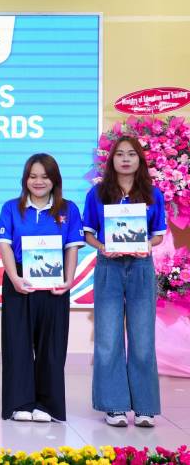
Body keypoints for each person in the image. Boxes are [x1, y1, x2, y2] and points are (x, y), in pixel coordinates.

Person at [83, 136, 166, 428]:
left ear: (140, 159)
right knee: (108, 339)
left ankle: (145, 408)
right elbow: (88, 233)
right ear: (112, 160)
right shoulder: (97, 193)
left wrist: (147, 245)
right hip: (109, 267)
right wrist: (102, 247)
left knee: (143, 340)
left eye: (131, 154)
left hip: (141, 266)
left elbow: (158, 234)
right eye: (120, 154)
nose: (126, 159)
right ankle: (114, 406)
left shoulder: (153, 194)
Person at [0, 153, 83, 423]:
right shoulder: (12, 208)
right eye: (33, 176)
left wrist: (69, 280)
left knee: (51, 345)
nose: (38, 181)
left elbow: (71, 248)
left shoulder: (69, 209)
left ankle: (47, 405)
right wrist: (14, 277)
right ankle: (20, 403)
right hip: (19, 279)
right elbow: (4, 245)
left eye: (45, 176)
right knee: (17, 343)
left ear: (54, 179)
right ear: (25, 179)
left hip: (54, 282)